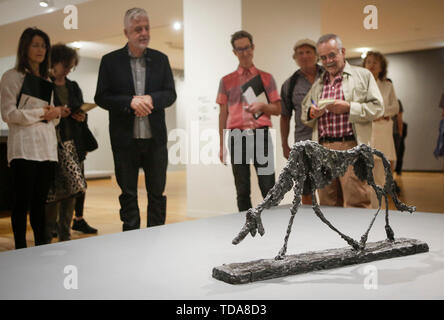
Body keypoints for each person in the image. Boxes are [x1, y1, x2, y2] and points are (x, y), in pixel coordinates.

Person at [94, 8, 176, 231]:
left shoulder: (161, 59)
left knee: (157, 193)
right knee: (128, 194)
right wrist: (129, 102)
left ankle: (157, 236)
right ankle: (130, 238)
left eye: (147, 28)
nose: (144, 33)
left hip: (155, 141)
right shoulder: (110, 61)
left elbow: (170, 94)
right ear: (126, 32)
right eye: (138, 29)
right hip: (125, 141)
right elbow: (101, 97)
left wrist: (151, 98)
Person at [0, 27, 68, 249]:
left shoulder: (47, 78)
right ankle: (20, 248)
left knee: (40, 202)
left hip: (46, 148)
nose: (41, 49)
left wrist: (55, 114)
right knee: (21, 202)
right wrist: (42, 113)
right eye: (36, 45)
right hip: (24, 148)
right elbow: (9, 114)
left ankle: (41, 247)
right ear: (25, 47)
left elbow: (50, 119)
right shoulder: (12, 76)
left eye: (44, 45)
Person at [301, 34, 384, 208]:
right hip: (322, 150)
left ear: (343, 52)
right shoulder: (319, 84)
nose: (328, 61)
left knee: (357, 202)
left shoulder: (363, 76)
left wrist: (348, 107)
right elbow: (305, 112)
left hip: (351, 148)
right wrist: (312, 112)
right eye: (323, 57)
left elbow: (378, 108)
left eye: (332, 55)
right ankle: (332, 237)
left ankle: (359, 236)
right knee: (327, 205)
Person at [217, 30, 281, 212]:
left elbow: (277, 109)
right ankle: (247, 227)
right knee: (242, 189)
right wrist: (222, 145)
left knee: (269, 187)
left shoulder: (266, 78)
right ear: (234, 52)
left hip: (261, 134)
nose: (244, 53)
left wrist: (262, 106)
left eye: (247, 48)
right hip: (237, 136)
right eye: (240, 49)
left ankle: (273, 225)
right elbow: (222, 114)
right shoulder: (226, 81)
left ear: (253, 48)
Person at [45, 43, 98, 243]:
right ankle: (48, 234)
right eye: (65, 65)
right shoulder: (45, 84)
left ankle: (65, 234)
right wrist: (58, 112)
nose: (68, 69)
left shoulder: (73, 86)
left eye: (70, 66)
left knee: (73, 191)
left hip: (73, 145)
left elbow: (81, 112)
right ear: (54, 62)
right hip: (51, 146)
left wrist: (80, 116)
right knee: (53, 193)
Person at [280, 39, 323, 205]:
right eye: (300, 53)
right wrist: (284, 144)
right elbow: (285, 116)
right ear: (295, 58)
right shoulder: (289, 84)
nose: (304, 56)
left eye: (308, 52)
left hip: (328, 141)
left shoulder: (330, 77)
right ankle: (309, 224)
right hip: (303, 142)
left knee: (332, 189)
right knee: (305, 187)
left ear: (316, 55)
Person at [363, 52, 399, 208]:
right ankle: (366, 211)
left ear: (381, 67)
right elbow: (359, 109)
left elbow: (395, 107)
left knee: (381, 177)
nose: (371, 65)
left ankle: (380, 211)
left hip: (383, 133)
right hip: (366, 133)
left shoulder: (387, 86)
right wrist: (377, 113)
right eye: (368, 62)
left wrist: (380, 113)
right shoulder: (359, 86)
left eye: (375, 63)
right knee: (364, 178)